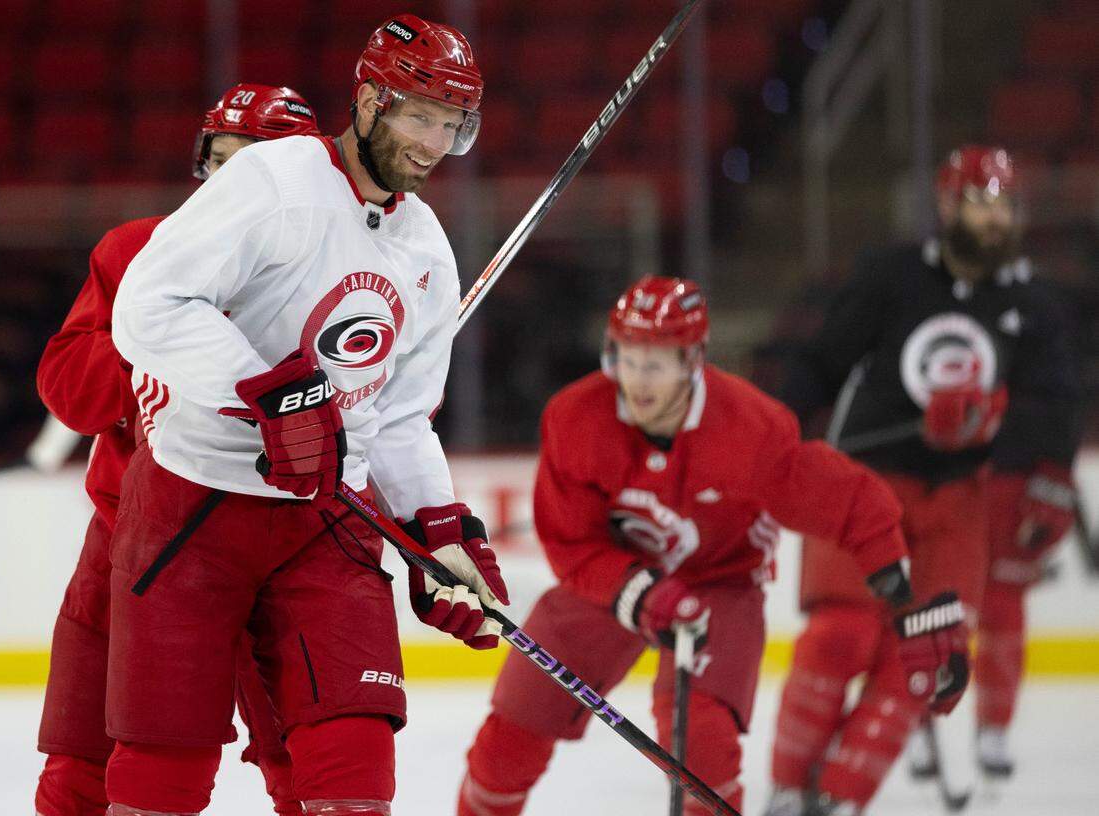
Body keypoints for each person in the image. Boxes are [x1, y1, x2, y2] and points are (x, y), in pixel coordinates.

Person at [105, 14, 504, 816]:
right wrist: (277, 393)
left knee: (354, 764)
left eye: (451, 124)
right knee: (162, 777)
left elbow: (397, 421)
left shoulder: (425, 246)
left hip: (328, 519)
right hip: (195, 509)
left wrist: (441, 530)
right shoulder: (277, 180)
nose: (432, 142)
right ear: (368, 101)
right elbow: (145, 308)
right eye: (418, 115)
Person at [455, 275, 964, 816]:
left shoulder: (751, 429)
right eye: (627, 358)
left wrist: (907, 600)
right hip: (610, 581)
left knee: (701, 744)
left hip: (720, 581)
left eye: (656, 362)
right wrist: (637, 591)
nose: (637, 379)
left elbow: (851, 504)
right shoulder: (575, 419)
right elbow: (572, 543)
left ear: (692, 360)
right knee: (515, 726)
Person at [763, 145, 1080, 815]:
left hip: (957, 502)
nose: (993, 219)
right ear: (947, 205)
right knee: (840, 636)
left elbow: (1055, 408)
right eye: (979, 202)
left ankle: (842, 798)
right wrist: (769, 436)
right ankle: (789, 793)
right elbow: (820, 364)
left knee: (928, 653)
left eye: (1003, 206)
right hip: (863, 487)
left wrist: (1033, 463)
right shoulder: (892, 276)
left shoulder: (1034, 304)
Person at [34, 83, 323, 816]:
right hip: (131, 544)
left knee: (307, 768)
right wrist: (161, 330)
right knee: (81, 774)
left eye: (254, 168)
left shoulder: (331, 278)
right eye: (220, 162)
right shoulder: (134, 254)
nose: (231, 185)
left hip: (276, 540)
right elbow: (71, 394)